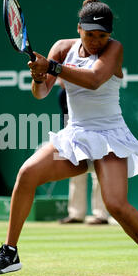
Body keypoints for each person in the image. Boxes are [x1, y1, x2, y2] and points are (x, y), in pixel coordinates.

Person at [0, 0, 138, 276]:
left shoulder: (114, 49)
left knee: (115, 204)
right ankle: (10, 252)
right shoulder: (62, 48)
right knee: (26, 174)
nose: (97, 40)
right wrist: (38, 76)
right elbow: (41, 93)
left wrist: (52, 67)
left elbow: (95, 79)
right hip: (75, 136)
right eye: (90, 33)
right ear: (78, 28)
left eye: (102, 35)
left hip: (110, 136)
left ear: (110, 34)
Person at [57, 87, 109, 225]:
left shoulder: (90, 89)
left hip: (97, 131)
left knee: (99, 174)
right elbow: (66, 117)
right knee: (76, 173)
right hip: (75, 136)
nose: (60, 80)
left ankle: (101, 215)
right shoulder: (62, 94)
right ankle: (76, 214)